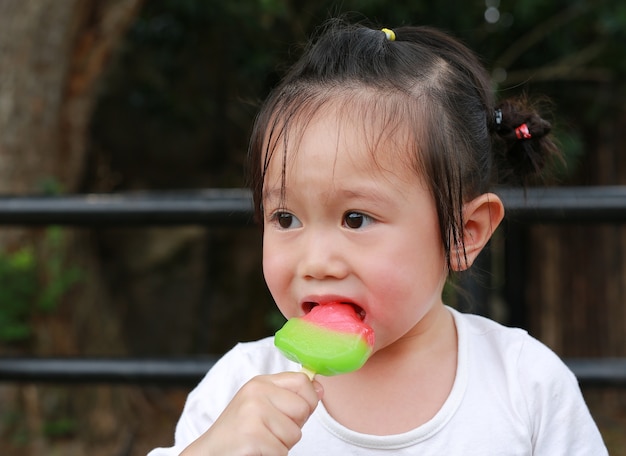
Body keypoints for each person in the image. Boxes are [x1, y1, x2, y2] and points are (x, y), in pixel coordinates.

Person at [149, 17, 608, 455]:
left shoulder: (526, 386)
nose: (316, 261)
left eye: (355, 219)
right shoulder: (238, 387)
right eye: (285, 218)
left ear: (464, 234)